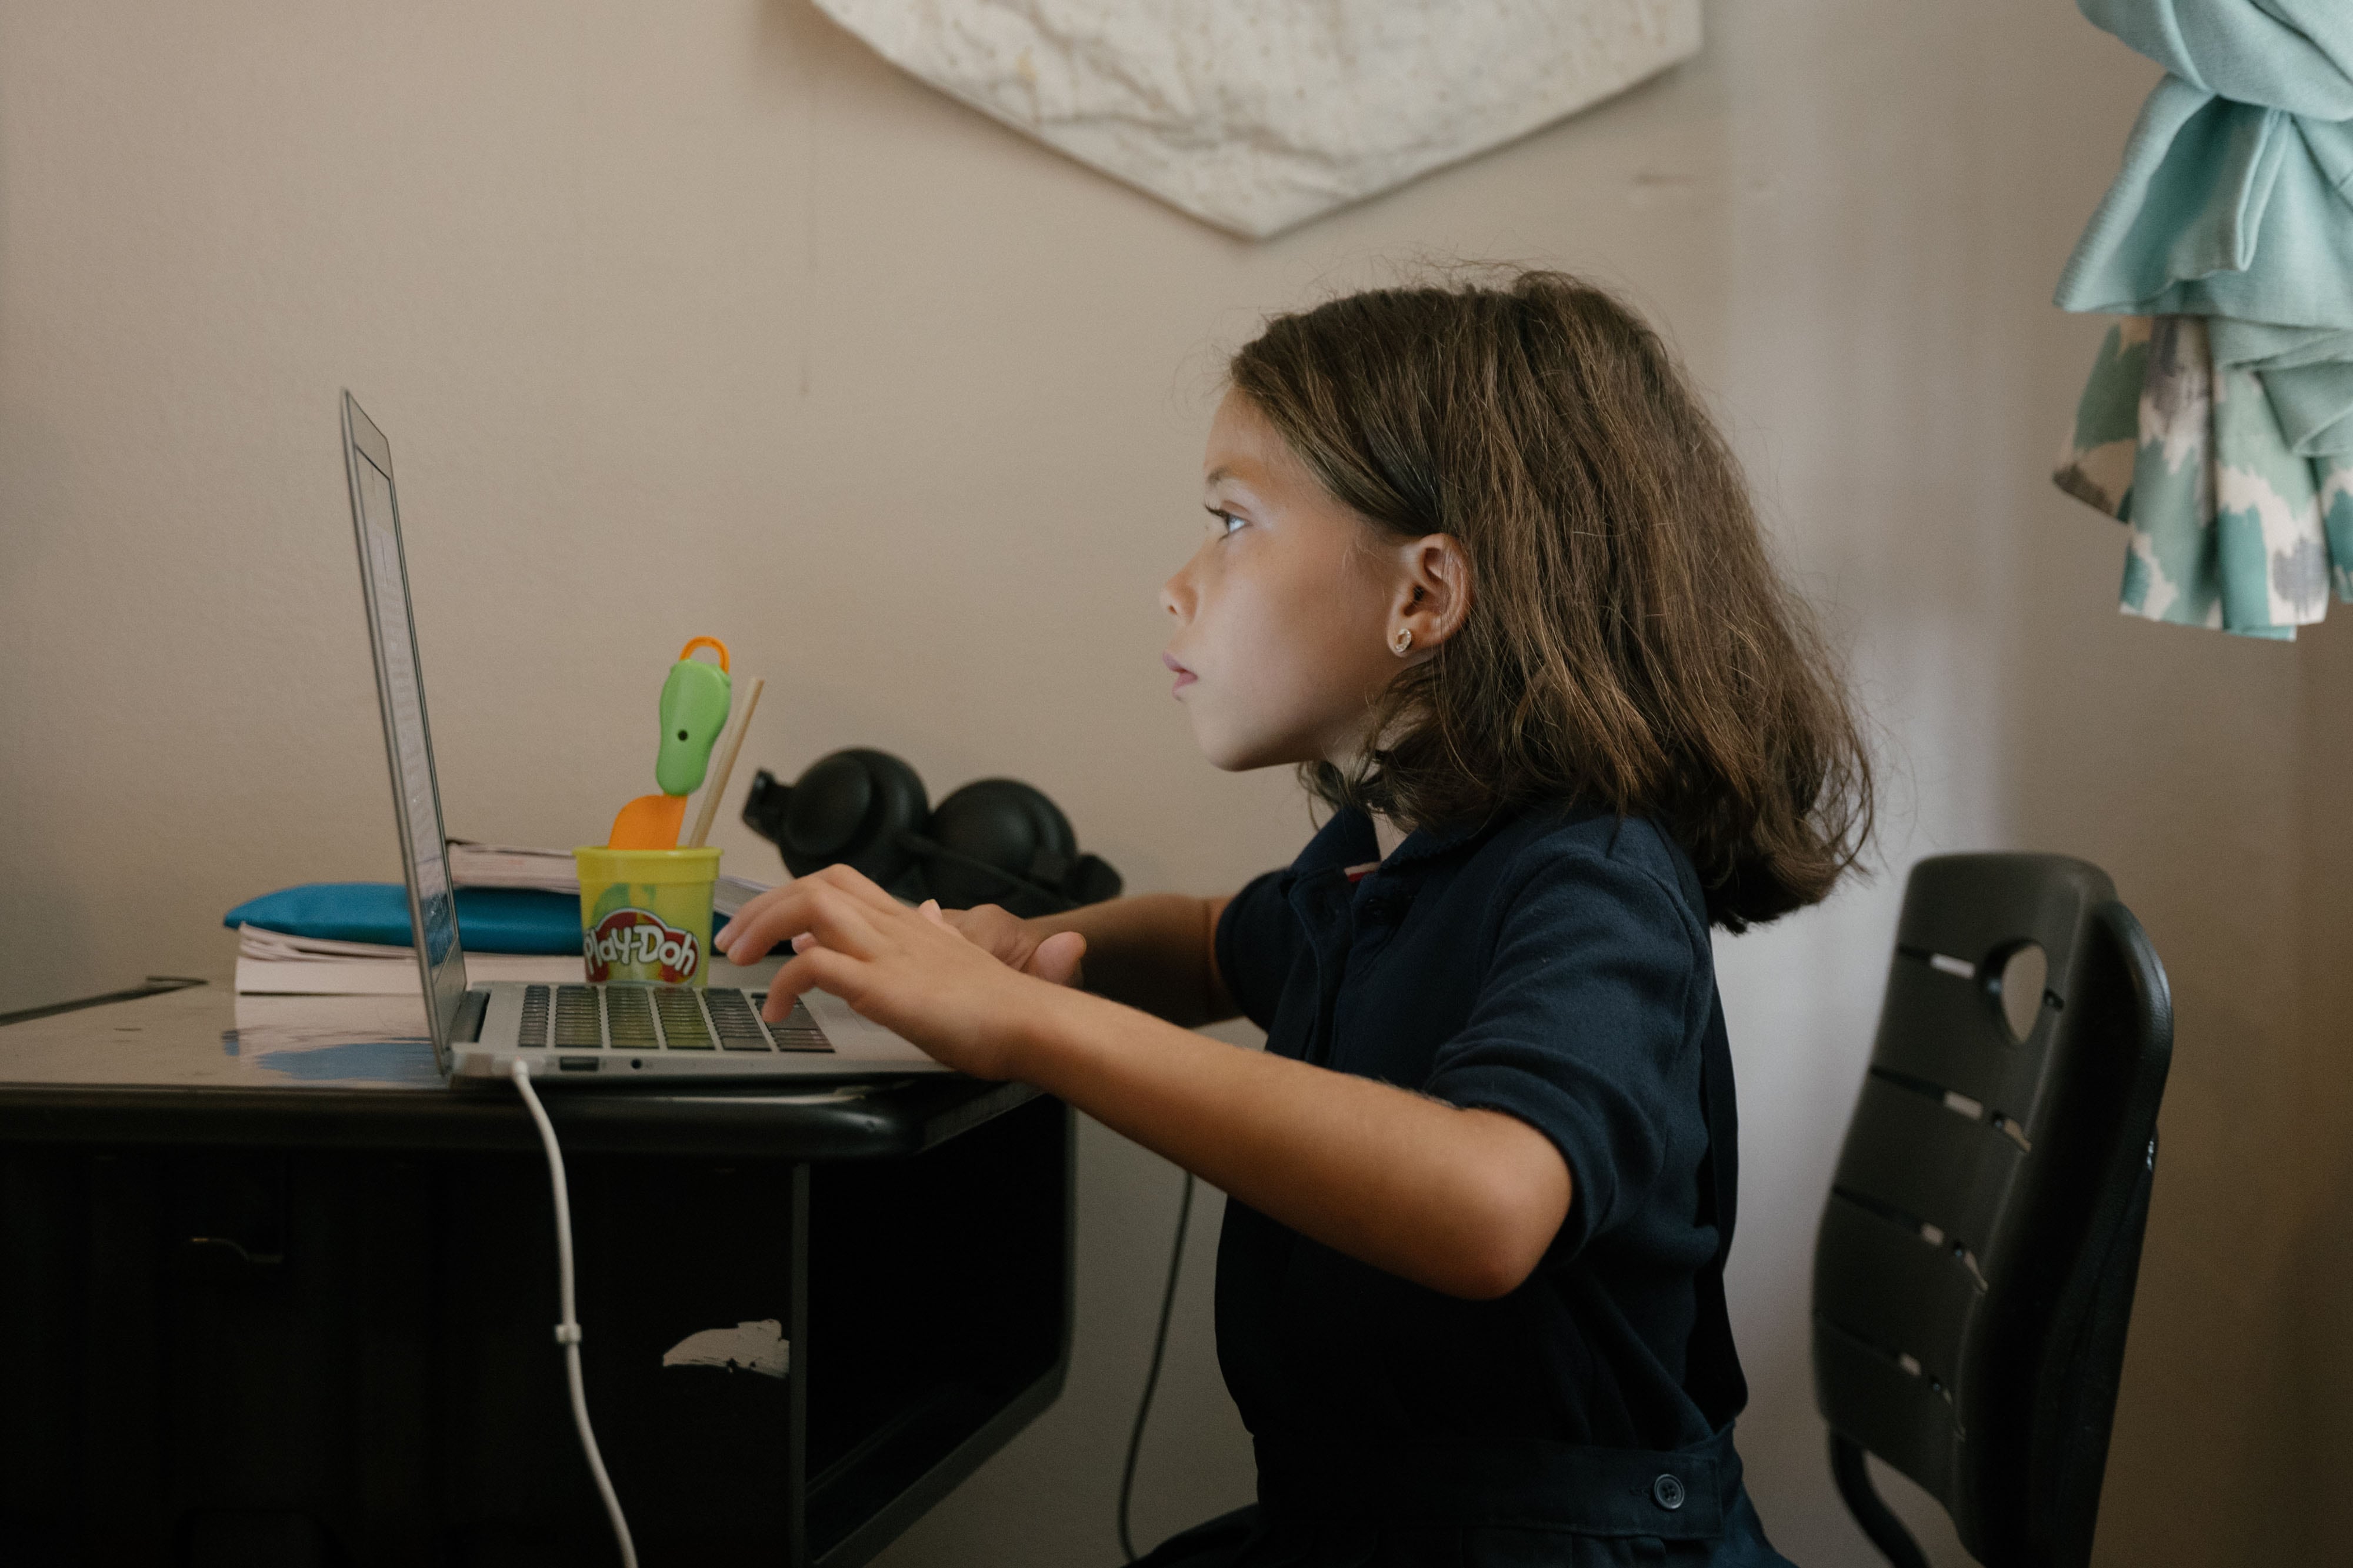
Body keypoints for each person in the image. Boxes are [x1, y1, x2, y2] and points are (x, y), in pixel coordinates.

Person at [717, 269, 1872, 1566]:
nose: (1175, 584)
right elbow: (1216, 936)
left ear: (1424, 596)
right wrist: (1034, 952)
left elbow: (1486, 1199)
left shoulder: (1593, 875)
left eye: (1229, 521)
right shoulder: (1388, 861)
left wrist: (1024, 1021)